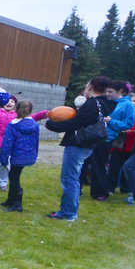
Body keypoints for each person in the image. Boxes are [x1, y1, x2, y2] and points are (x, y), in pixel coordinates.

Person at [45, 76, 110, 221]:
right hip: (87, 145)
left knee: (70, 178)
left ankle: (68, 213)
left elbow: (74, 123)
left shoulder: (92, 104)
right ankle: (68, 211)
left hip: (78, 145)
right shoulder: (103, 104)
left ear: (91, 87)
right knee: (72, 177)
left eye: (87, 85)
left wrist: (51, 125)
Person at [0, 100, 41, 212]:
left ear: (16, 109)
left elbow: (7, 143)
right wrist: (34, 154)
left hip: (17, 156)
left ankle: (17, 203)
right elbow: (36, 142)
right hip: (28, 155)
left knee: (14, 178)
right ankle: (10, 200)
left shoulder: (13, 125)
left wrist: (3, 159)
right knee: (14, 176)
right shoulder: (35, 125)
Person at [107, 92, 135, 193]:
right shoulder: (124, 110)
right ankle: (110, 187)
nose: (132, 103)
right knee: (114, 166)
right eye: (130, 101)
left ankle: (126, 188)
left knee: (128, 168)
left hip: (133, 143)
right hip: (120, 142)